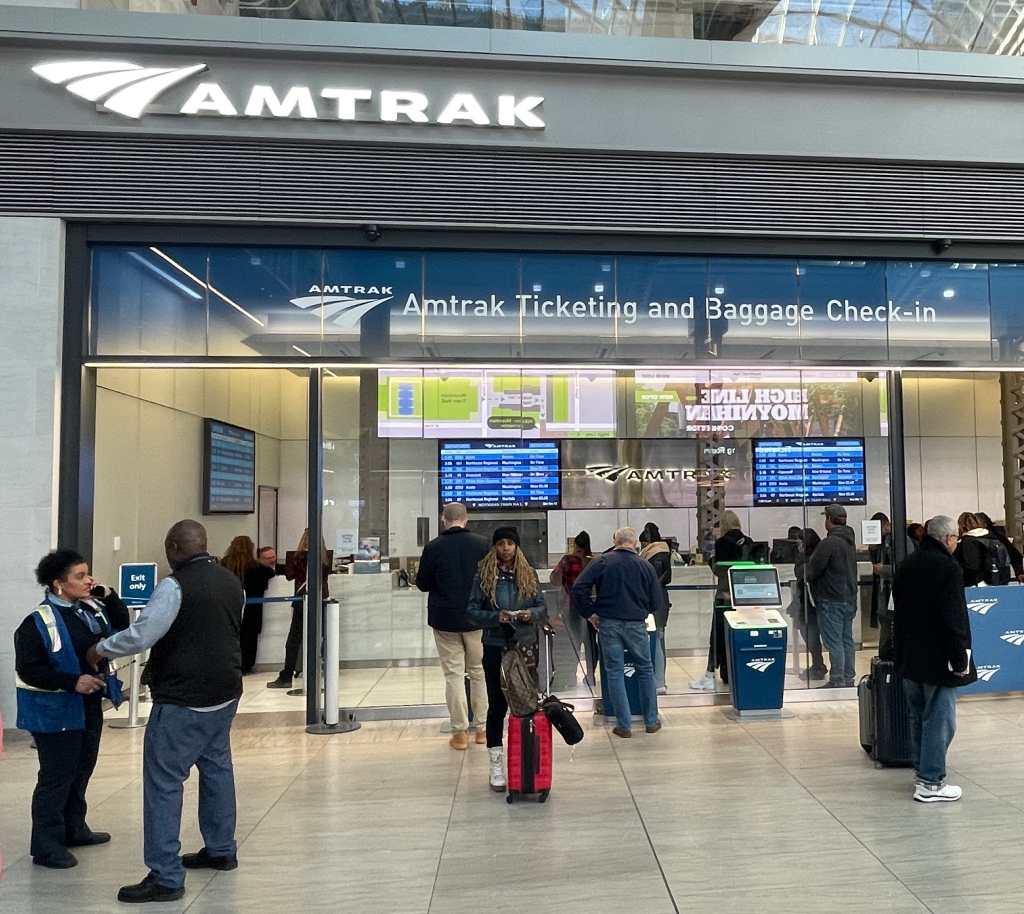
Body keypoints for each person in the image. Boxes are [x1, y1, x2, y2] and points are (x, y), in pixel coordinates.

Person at [89, 519, 244, 903]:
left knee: (163, 783)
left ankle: (166, 876)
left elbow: (143, 634)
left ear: (175, 546)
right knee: (217, 769)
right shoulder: (230, 581)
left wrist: (101, 648)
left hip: (182, 697)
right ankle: (221, 849)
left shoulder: (174, 585)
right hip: (225, 692)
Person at [14, 549, 129, 869]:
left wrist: (108, 594)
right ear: (57, 584)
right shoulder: (38, 622)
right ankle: (47, 844)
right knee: (56, 776)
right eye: (79, 576)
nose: (88, 580)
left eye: (88, 574)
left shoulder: (90, 609)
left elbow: (120, 626)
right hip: (55, 709)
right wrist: (72, 681)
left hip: (88, 704)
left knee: (81, 769)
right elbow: (29, 669)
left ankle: (74, 827)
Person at [892, 515, 977, 802]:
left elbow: (897, 612)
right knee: (940, 719)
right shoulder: (948, 567)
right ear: (948, 538)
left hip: (909, 656)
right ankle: (931, 782)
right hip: (938, 657)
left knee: (919, 716)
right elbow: (954, 617)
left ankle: (922, 774)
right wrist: (961, 657)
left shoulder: (907, 564)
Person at [465, 527, 547, 792]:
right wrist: (494, 617)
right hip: (494, 646)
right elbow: (472, 612)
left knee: (526, 704)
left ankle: (525, 758)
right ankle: (496, 764)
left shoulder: (529, 574)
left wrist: (529, 615)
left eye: (510, 543)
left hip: (523, 646)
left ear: (517, 547)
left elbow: (542, 607)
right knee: (497, 706)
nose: (506, 548)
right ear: (495, 547)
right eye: (501, 543)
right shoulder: (484, 576)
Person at [573, 526, 661, 738]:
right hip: (636, 624)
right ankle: (651, 720)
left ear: (615, 540)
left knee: (614, 672)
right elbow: (656, 600)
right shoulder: (645, 565)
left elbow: (578, 587)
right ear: (634, 543)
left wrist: (590, 613)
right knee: (645, 669)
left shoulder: (602, 561)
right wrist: (642, 610)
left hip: (608, 623)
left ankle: (624, 725)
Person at [415, 502, 490, 751]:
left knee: (454, 675)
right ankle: (482, 729)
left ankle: (459, 734)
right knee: (479, 672)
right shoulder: (483, 544)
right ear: (465, 520)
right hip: (477, 620)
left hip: (445, 620)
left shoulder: (433, 548)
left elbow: (423, 584)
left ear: (443, 520)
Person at [690, 510, 751, 691]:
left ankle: (709, 674)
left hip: (725, 597)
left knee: (717, 636)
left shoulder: (722, 542)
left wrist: (712, 561)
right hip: (744, 596)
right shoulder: (748, 541)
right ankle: (732, 671)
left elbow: (720, 571)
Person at [267, 529, 330, 690]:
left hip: (303, 601)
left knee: (294, 640)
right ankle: (322, 673)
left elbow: (289, 574)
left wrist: (278, 566)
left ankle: (286, 676)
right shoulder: (324, 558)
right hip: (321, 600)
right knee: (320, 637)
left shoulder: (301, 557)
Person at [805, 503, 858, 688]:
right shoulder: (849, 541)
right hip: (849, 598)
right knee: (846, 640)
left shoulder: (829, 543)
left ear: (829, 519)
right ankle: (848, 676)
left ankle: (837, 679)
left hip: (831, 600)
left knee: (834, 642)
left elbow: (811, 571)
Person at [221, 535, 275, 675]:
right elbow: (270, 572)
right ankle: (246, 666)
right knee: (250, 639)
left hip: (229, 608)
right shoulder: (257, 568)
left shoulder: (224, 565)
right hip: (253, 610)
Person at [550, 531, 596, 688]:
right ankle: (590, 676)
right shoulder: (595, 562)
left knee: (574, 642)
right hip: (592, 609)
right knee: (591, 644)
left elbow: (554, 580)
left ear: (575, 545)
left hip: (571, 607)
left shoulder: (568, 560)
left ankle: (571, 674)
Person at [787, 528, 827, 681]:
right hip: (807, 600)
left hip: (810, 602)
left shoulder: (809, 558)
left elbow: (801, 574)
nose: (798, 546)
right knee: (808, 632)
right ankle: (818, 663)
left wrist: (799, 556)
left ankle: (818, 664)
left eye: (800, 543)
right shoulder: (815, 556)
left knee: (811, 633)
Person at [638, 522, 672, 695]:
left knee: (655, 638)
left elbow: (658, 577)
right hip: (662, 600)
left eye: (643, 544)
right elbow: (668, 577)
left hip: (652, 600)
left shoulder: (653, 553)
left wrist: (651, 589)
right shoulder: (665, 550)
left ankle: (657, 681)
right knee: (660, 638)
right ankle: (660, 680)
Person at [954, 511, 1011, 587]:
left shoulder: (967, 541)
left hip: (977, 583)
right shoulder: (993, 538)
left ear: (962, 526)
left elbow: (971, 566)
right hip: (998, 581)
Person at [977, 511, 1024, 582]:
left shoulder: (998, 537)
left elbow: (1014, 554)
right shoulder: (968, 539)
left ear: (985, 524)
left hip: (998, 576)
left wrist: (1019, 572)